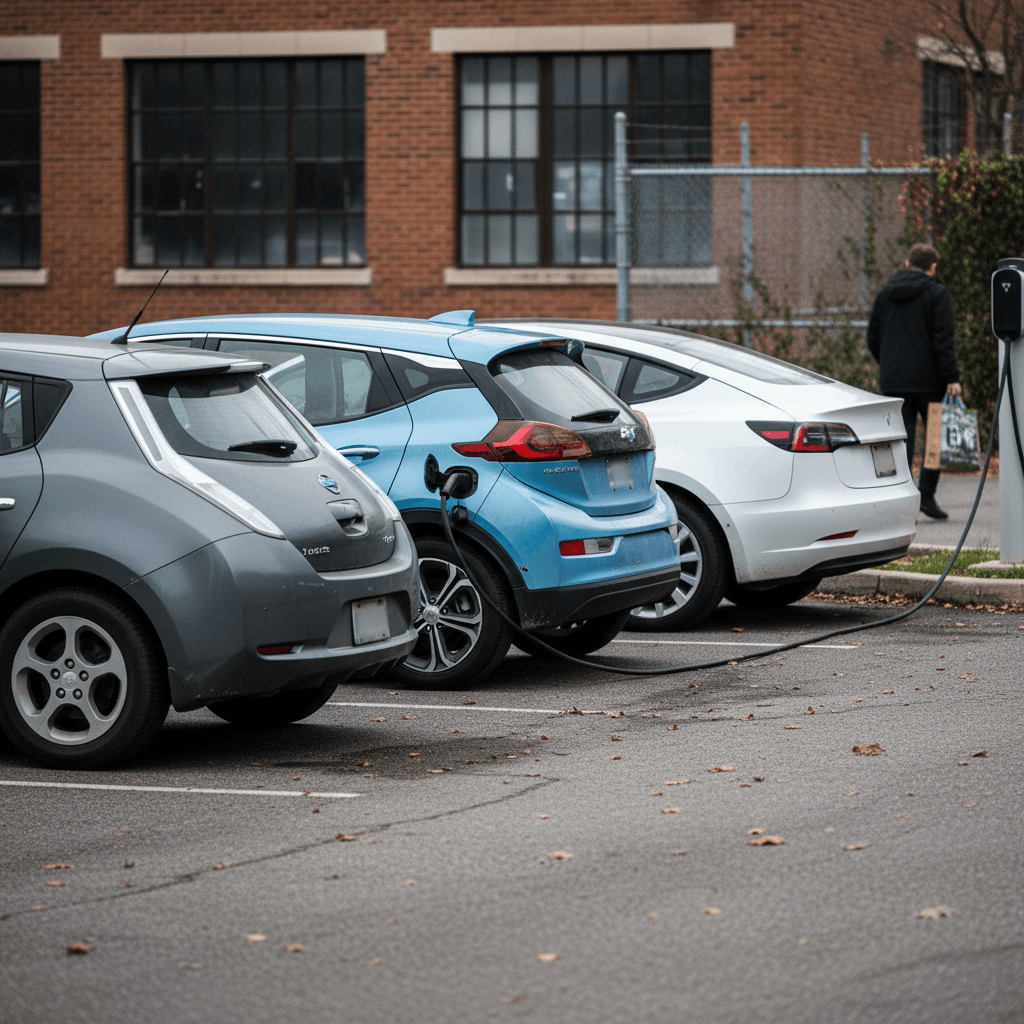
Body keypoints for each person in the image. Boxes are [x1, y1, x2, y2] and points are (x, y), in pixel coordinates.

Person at [867, 242, 961, 520]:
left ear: (907, 264)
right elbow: (943, 339)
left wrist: (890, 365)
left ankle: (902, 499)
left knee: (901, 440)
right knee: (934, 440)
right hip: (930, 381)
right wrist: (952, 378)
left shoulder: (885, 294)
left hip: (894, 382)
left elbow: (873, 337)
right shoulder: (936, 293)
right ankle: (927, 496)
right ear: (932, 267)